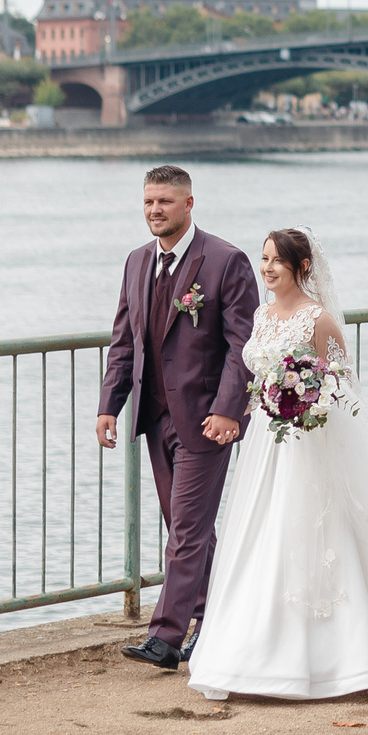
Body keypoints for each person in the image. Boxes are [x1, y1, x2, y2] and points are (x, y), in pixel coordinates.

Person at [186, 227, 368, 703]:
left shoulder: (320, 321)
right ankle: (246, 656)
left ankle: (338, 661)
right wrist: (257, 405)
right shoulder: (261, 314)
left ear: (302, 267)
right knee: (258, 536)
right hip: (265, 444)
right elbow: (255, 377)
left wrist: (303, 404)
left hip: (307, 446)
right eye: (263, 258)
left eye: (277, 260)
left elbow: (343, 392)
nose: (267, 268)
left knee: (310, 537)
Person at [95, 165, 257, 670]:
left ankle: (164, 637)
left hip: (208, 420)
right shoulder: (136, 261)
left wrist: (228, 409)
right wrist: (109, 404)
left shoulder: (226, 260)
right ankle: (211, 624)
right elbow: (125, 341)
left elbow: (243, 346)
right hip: (155, 416)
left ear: (188, 203)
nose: (155, 210)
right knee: (189, 528)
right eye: (148, 202)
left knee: (186, 529)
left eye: (164, 201)